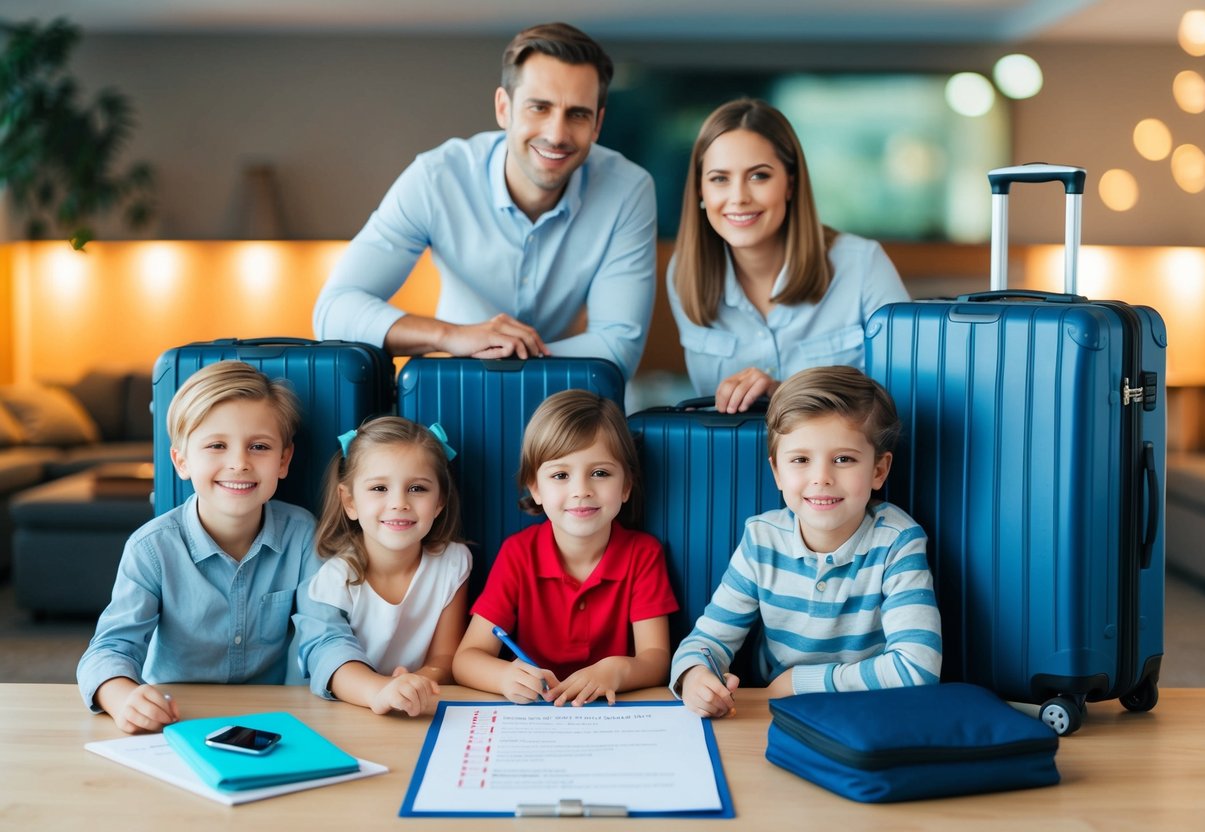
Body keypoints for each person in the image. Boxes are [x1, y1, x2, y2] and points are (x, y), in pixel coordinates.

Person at [313, 22, 657, 380]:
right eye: (539, 108)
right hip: (457, 390)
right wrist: (453, 336)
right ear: (503, 108)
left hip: (570, 407)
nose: (557, 134)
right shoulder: (437, 178)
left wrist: (506, 354)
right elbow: (334, 312)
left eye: (578, 114)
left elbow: (619, 347)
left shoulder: (627, 191)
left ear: (598, 123)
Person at [672, 365, 941, 718]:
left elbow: (918, 668)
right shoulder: (762, 540)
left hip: (873, 714)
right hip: (779, 714)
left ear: (878, 470)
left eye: (843, 459)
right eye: (800, 460)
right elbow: (707, 640)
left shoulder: (897, 542)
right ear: (777, 472)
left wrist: (800, 682)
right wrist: (694, 676)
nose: (821, 478)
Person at [76, 361, 319, 734]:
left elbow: (322, 634)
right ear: (182, 461)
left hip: (272, 717)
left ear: (283, 460)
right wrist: (121, 696)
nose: (239, 463)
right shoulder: (151, 549)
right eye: (216, 445)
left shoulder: (302, 534)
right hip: (176, 718)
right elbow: (109, 650)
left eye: (259, 446)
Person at [668, 98, 910, 413]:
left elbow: (910, 398)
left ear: (790, 184)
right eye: (719, 179)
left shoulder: (863, 265)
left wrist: (783, 393)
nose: (738, 197)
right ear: (701, 190)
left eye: (759, 176)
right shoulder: (684, 273)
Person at [453, 390, 677, 705]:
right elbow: (466, 659)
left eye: (600, 473)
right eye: (560, 475)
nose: (581, 490)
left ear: (626, 486)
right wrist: (503, 677)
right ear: (535, 488)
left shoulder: (643, 554)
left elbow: (655, 660)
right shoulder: (518, 554)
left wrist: (615, 671)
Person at [295, 417, 471, 716]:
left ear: (440, 501)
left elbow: (445, 656)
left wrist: (418, 683)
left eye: (417, 489)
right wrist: (381, 690)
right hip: (342, 711)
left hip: (416, 709)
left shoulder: (453, 563)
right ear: (349, 501)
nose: (399, 503)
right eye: (379, 488)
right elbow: (329, 657)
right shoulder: (332, 579)